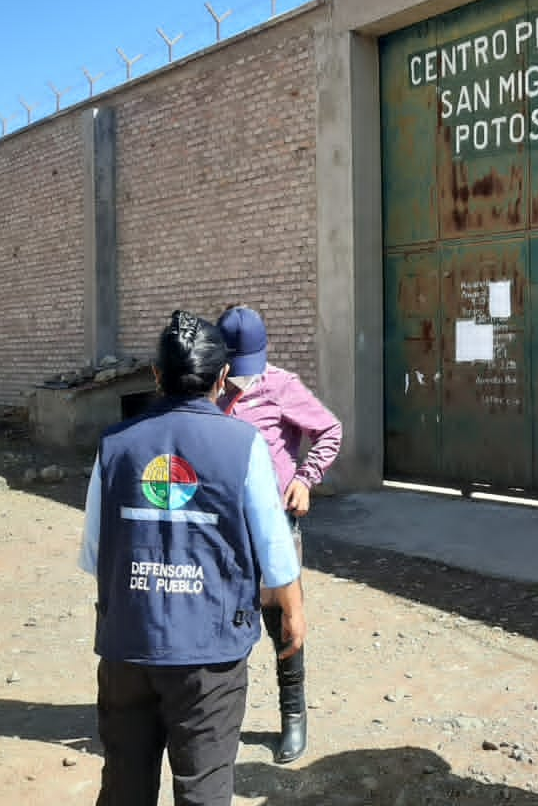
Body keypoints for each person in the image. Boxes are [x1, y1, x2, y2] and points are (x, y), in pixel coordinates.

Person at [78, 310, 306, 806]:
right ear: (222, 379)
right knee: (203, 790)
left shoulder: (114, 445)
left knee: (124, 786)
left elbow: (96, 551)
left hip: (127, 647)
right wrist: (292, 613)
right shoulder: (243, 444)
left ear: (157, 376)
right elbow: (275, 552)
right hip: (210, 656)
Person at [215, 305, 343, 765]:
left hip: (273, 522)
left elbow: (329, 429)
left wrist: (305, 478)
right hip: (222, 526)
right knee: (225, 620)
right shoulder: (208, 389)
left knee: (282, 618)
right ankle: (221, 719)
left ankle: (293, 714)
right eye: (234, 373)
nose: (241, 382)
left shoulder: (280, 385)